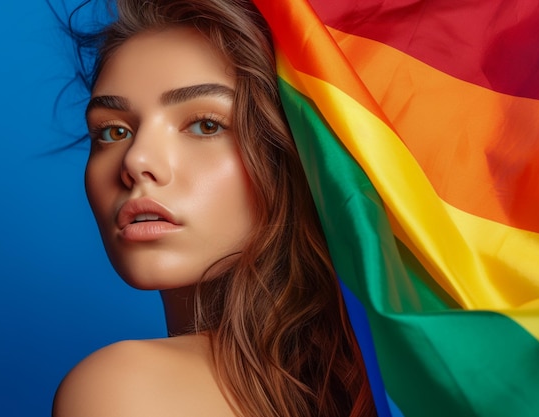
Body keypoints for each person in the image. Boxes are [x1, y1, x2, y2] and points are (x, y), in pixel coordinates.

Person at [51, 0, 377, 416]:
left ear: (297, 153)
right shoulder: (380, 386)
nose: (136, 161)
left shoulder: (125, 388)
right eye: (114, 131)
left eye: (206, 125)